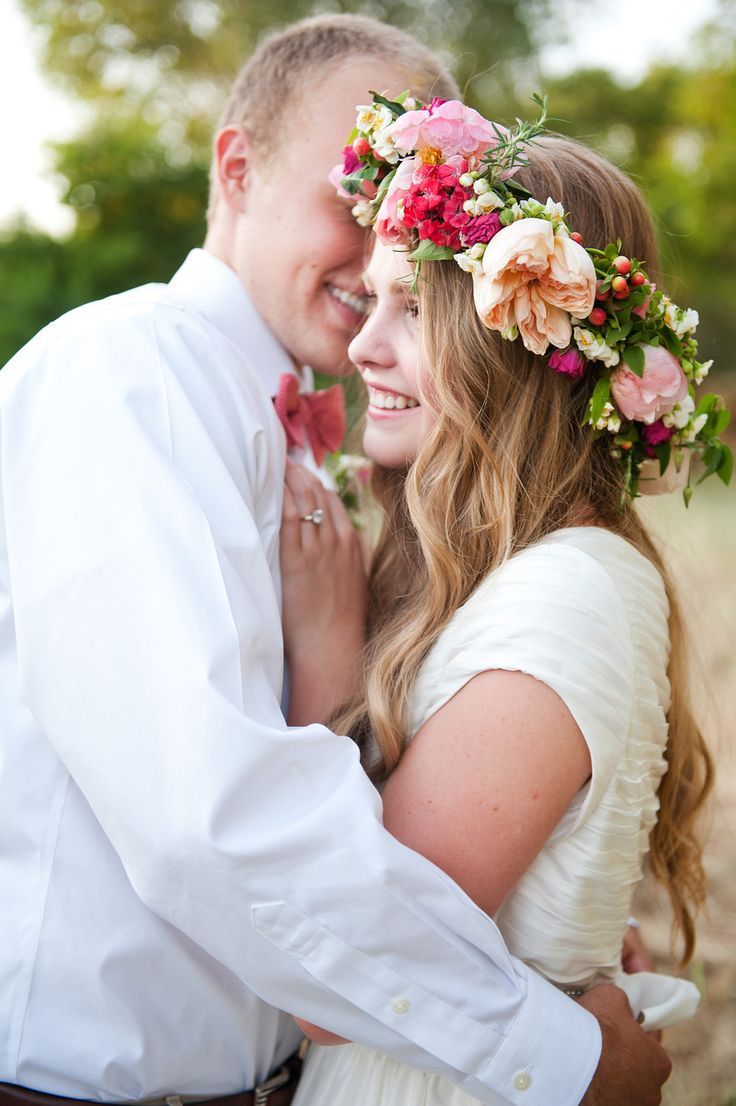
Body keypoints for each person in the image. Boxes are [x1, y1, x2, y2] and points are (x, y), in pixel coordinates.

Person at [0, 16, 671, 1106]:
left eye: (412, 224)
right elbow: (204, 817)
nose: (379, 255)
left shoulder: (339, 450)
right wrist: (549, 1044)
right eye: (355, 204)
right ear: (238, 166)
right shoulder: (126, 380)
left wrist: (508, 923)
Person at [278, 93, 725, 1105]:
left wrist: (321, 654)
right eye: (369, 301)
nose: (361, 347)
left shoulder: (563, 595)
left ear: (518, 336)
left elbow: (336, 979)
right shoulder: (514, 572)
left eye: (412, 310)